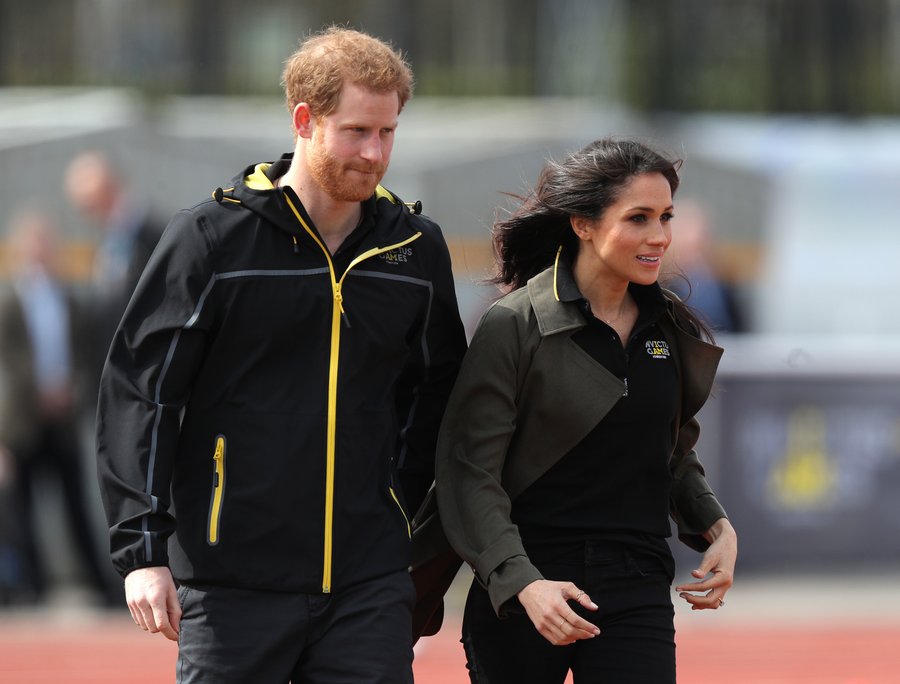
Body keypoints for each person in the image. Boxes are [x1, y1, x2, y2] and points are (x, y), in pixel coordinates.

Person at [95, 26, 466, 684]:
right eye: (356, 131)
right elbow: (143, 394)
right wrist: (143, 550)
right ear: (304, 118)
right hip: (232, 578)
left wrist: (398, 515)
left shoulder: (415, 250)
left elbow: (437, 396)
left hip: (368, 580)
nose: (374, 153)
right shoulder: (209, 241)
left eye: (387, 133)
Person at [435, 138, 737, 683]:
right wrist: (523, 582)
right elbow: (468, 472)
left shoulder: (672, 327)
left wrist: (714, 524)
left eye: (666, 217)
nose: (660, 237)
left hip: (637, 584)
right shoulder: (514, 323)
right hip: (530, 589)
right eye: (639, 218)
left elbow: (671, 452)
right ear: (583, 224)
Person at [0, 209, 118, 606]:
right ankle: (31, 589)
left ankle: (101, 587)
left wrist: (72, 390)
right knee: (23, 509)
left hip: (64, 418)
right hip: (23, 421)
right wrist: (37, 392)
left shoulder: (69, 298)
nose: (39, 250)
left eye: (44, 242)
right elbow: (12, 362)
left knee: (75, 504)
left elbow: (85, 356)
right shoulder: (8, 301)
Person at [64, 150, 165, 390]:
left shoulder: (160, 237)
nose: (87, 215)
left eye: (88, 205)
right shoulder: (107, 243)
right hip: (115, 383)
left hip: (150, 382)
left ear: (107, 190)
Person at [662, 199, 746, 333]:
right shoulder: (662, 286)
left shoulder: (723, 283)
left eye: (700, 232)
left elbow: (740, 325)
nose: (693, 238)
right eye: (686, 231)